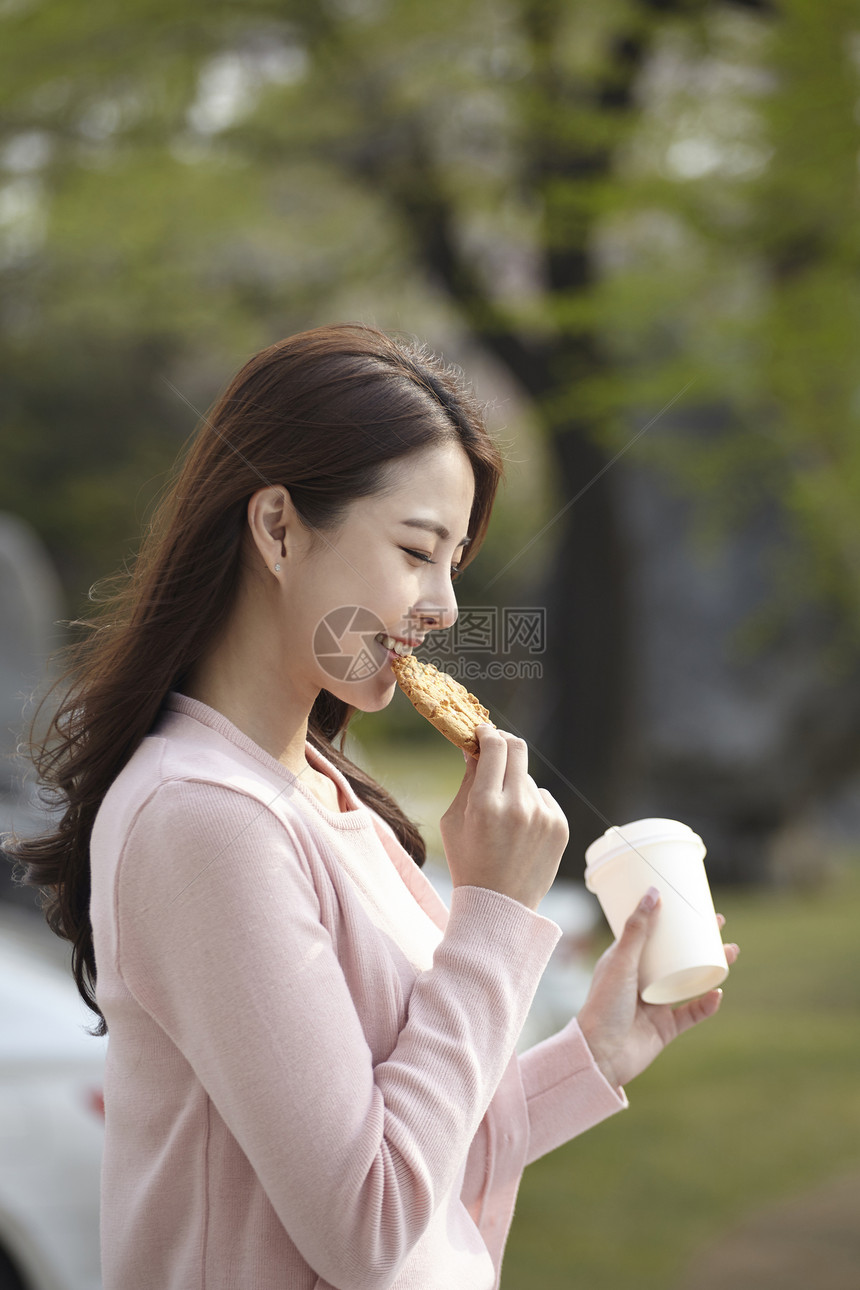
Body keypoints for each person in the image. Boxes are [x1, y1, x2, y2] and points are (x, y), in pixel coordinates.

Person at [8, 323, 738, 1290]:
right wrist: (492, 915)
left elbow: (409, 1157)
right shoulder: (203, 820)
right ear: (276, 528)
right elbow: (368, 1226)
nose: (443, 606)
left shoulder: (321, 794)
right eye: (416, 550)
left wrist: (594, 1052)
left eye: (454, 564)